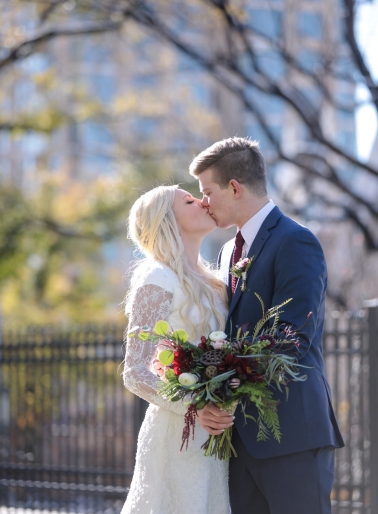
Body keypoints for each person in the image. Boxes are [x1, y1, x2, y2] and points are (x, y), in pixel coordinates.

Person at [190, 137, 343, 514]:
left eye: (207, 191)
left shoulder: (296, 241)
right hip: (239, 442)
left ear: (235, 188)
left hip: (292, 437)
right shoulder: (227, 252)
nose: (204, 202)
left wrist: (224, 385)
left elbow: (292, 337)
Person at [122, 184, 230, 514]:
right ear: (167, 220)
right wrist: (195, 407)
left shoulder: (215, 283)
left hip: (214, 441)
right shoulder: (157, 277)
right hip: (175, 435)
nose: (202, 201)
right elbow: (135, 373)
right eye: (188, 199)